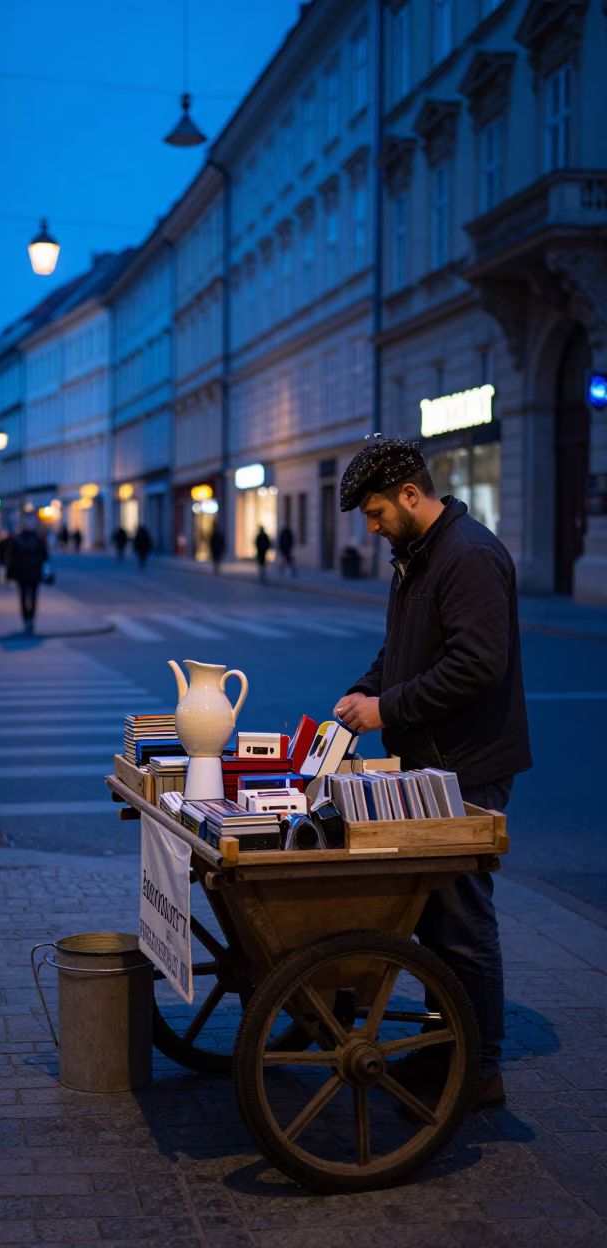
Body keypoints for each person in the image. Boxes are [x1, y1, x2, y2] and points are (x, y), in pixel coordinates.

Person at [332, 435, 531, 1113]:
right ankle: (448, 1052)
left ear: (412, 496)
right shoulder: (418, 554)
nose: (372, 525)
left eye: (378, 512)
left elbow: (478, 666)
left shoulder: (468, 555)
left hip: (468, 765)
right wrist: (361, 694)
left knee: (461, 918)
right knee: (435, 919)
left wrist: (384, 707)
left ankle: (479, 1070)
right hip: (435, 762)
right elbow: (403, 649)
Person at [8, 520, 48, 633]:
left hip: (21, 574)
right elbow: (45, 557)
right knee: (33, 597)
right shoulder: (38, 540)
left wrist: (11, 575)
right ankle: (31, 619)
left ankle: (26, 619)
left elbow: (12, 559)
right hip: (35, 573)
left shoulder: (17, 541)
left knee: (23, 596)